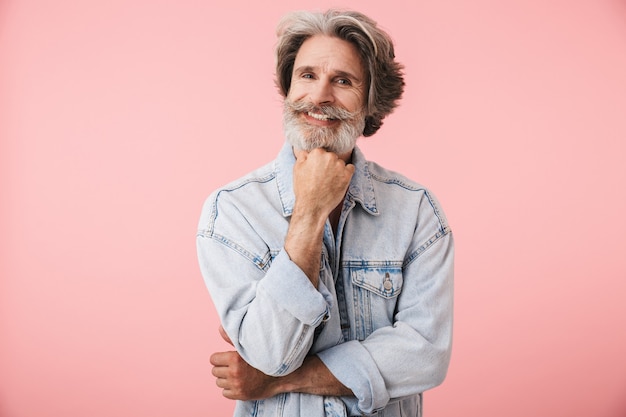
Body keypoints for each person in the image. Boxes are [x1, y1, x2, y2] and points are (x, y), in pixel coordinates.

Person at [196, 9, 454, 417]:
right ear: (287, 87)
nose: (319, 97)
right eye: (307, 76)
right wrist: (310, 213)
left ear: (371, 103)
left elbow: (425, 355)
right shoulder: (231, 212)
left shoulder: (415, 210)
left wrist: (283, 380)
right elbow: (270, 351)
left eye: (343, 81)